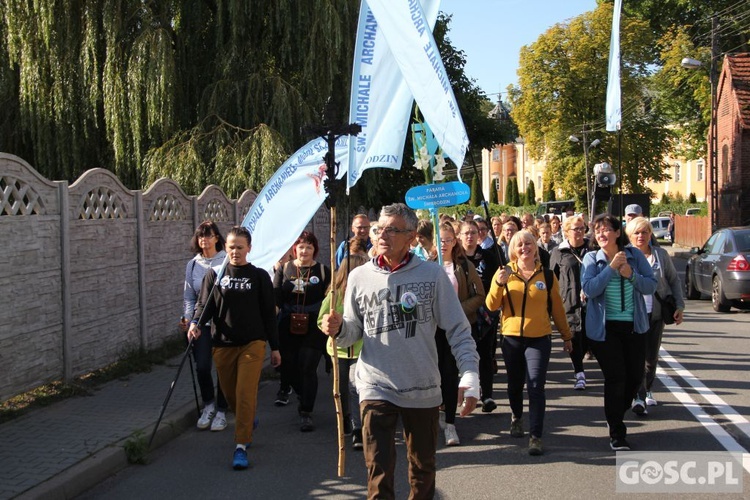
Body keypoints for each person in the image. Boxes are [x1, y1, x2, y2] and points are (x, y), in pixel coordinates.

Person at [320, 203, 479, 499]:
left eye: (392, 229)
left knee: (422, 471)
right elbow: (353, 332)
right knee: (378, 474)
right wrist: (339, 329)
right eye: (380, 228)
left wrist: (470, 374)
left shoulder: (432, 276)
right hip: (375, 386)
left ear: (411, 237)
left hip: (422, 388)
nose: (382, 235)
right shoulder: (358, 277)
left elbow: (458, 330)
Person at [188, 226, 281, 470]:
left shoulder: (259, 276)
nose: (235, 252)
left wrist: (275, 347)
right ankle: (247, 419)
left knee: (244, 393)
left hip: (253, 343)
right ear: (225, 248)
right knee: (230, 396)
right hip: (223, 344)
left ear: (249, 248)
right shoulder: (214, 275)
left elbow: (268, 315)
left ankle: (241, 446)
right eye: (231, 247)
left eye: (240, 247)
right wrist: (196, 324)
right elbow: (203, 306)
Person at [485, 230, 573, 456]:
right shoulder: (504, 272)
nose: (525, 248)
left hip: (539, 338)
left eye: (528, 244)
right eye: (519, 245)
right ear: (513, 249)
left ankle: (536, 436)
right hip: (511, 338)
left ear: (535, 247)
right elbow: (492, 305)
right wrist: (497, 283)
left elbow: (557, 308)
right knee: (515, 385)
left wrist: (566, 336)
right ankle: (516, 416)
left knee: (535, 386)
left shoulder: (546, 275)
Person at [581, 214, 657, 451]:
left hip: (634, 327)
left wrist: (631, 275)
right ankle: (617, 431)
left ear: (617, 233)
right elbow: (590, 289)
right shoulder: (592, 258)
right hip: (605, 330)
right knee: (616, 378)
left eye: (606, 229)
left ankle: (614, 411)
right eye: (597, 230)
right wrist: (611, 269)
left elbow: (651, 285)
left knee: (635, 377)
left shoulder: (633, 255)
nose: (601, 234)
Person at [625, 217, 685, 414]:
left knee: (651, 358)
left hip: (656, 314)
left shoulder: (660, 255)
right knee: (635, 357)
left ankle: (647, 389)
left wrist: (679, 305)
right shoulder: (625, 256)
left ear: (650, 234)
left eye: (645, 232)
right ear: (629, 236)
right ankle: (638, 396)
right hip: (633, 316)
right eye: (637, 233)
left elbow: (674, 280)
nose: (641, 236)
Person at [273, 231, 331, 431]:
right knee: (288, 366)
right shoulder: (284, 269)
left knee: (307, 367)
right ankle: (300, 392)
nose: (304, 250)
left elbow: (331, 298)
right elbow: (276, 296)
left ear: (314, 250)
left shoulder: (323, 271)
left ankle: (306, 411)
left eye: (309, 246)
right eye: (301, 246)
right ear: (294, 249)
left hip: (314, 326)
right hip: (287, 324)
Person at [435, 222, 486, 446]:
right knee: (432, 377)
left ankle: (450, 424)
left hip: (455, 329)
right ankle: (437, 411)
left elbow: (479, 295)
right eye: (439, 240)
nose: (443, 244)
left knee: (449, 375)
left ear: (454, 241)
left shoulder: (463, 265)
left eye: (447, 239)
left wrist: (457, 311)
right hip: (430, 332)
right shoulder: (426, 266)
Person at [180, 221, 229, 431]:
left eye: (208, 236)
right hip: (201, 324)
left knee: (223, 368)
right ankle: (208, 403)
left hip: (224, 324)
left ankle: (222, 409)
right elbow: (189, 296)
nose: (204, 240)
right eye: (201, 236)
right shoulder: (193, 264)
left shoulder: (226, 261)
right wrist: (189, 320)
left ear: (217, 238)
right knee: (202, 366)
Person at [317, 252, 369, 449]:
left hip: (359, 350)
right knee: (340, 389)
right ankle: (345, 418)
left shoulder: (365, 292)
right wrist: (329, 325)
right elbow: (320, 319)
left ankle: (358, 428)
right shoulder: (334, 295)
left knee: (355, 386)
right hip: (338, 351)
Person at [458, 219, 501, 413]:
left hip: (486, 314)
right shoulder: (455, 259)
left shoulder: (489, 257)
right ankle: (467, 393)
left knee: (485, 354)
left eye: (473, 233)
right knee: (466, 356)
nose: (470, 236)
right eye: (466, 233)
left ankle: (488, 396)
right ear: (460, 236)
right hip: (462, 314)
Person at [549, 215, 591, 390]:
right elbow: (552, 277)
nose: (580, 232)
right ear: (566, 231)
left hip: (591, 302)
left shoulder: (592, 249)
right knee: (573, 337)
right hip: (569, 301)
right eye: (576, 229)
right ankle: (579, 373)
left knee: (588, 339)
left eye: (582, 228)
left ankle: (581, 364)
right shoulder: (559, 252)